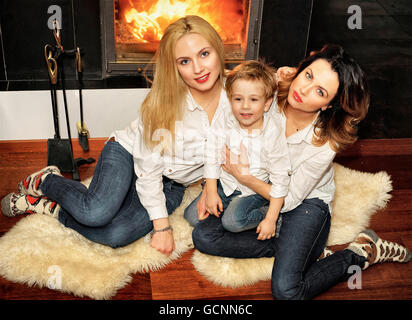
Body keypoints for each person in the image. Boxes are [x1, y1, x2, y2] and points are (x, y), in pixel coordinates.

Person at [191, 44, 411, 299]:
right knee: (204, 236)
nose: (304, 91)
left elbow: (290, 199)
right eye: (308, 76)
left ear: (329, 104)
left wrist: (244, 177)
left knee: (287, 291)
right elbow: (239, 85)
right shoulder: (270, 93)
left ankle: (360, 252)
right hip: (264, 187)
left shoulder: (326, 142)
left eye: (320, 91)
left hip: (303, 201)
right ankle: (299, 247)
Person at [0, 15, 230, 255]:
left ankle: (51, 209)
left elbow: (243, 145)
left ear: (218, 50)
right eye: (184, 61)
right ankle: (47, 181)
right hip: (128, 155)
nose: (198, 68)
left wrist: (209, 185)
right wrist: (162, 227)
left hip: (172, 185)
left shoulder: (238, 99)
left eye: (204, 54)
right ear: (174, 67)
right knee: (95, 212)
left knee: (115, 234)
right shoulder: (164, 102)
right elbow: (147, 167)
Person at [184, 60, 290, 241]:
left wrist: (270, 219)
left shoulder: (273, 134)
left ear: (267, 103)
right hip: (226, 184)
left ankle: (270, 215)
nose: (245, 106)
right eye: (238, 99)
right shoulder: (226, 119)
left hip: (253, 191)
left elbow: (280, 181)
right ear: (230, 99)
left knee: (233, 221)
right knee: (191, 217)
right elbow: (212, 153)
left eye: (254, 100)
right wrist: (210, 190)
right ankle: (227, 211)